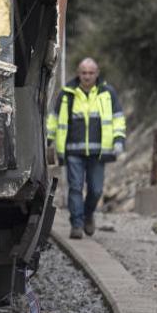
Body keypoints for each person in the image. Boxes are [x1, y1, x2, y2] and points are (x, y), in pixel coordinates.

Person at [46, 58, 126, 239]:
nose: (87, 76)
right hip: (73, 151)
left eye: (91, 73)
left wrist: (119, 139)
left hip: (99, 151)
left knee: (96, 190)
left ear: (97, 74)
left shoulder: (107, 93)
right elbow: (54, 119)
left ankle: (88, 214)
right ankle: (77, 224)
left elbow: (118, 118)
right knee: (75, 187)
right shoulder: (67, 94)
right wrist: (49, 139)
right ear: (78, 73)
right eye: (84, 73)